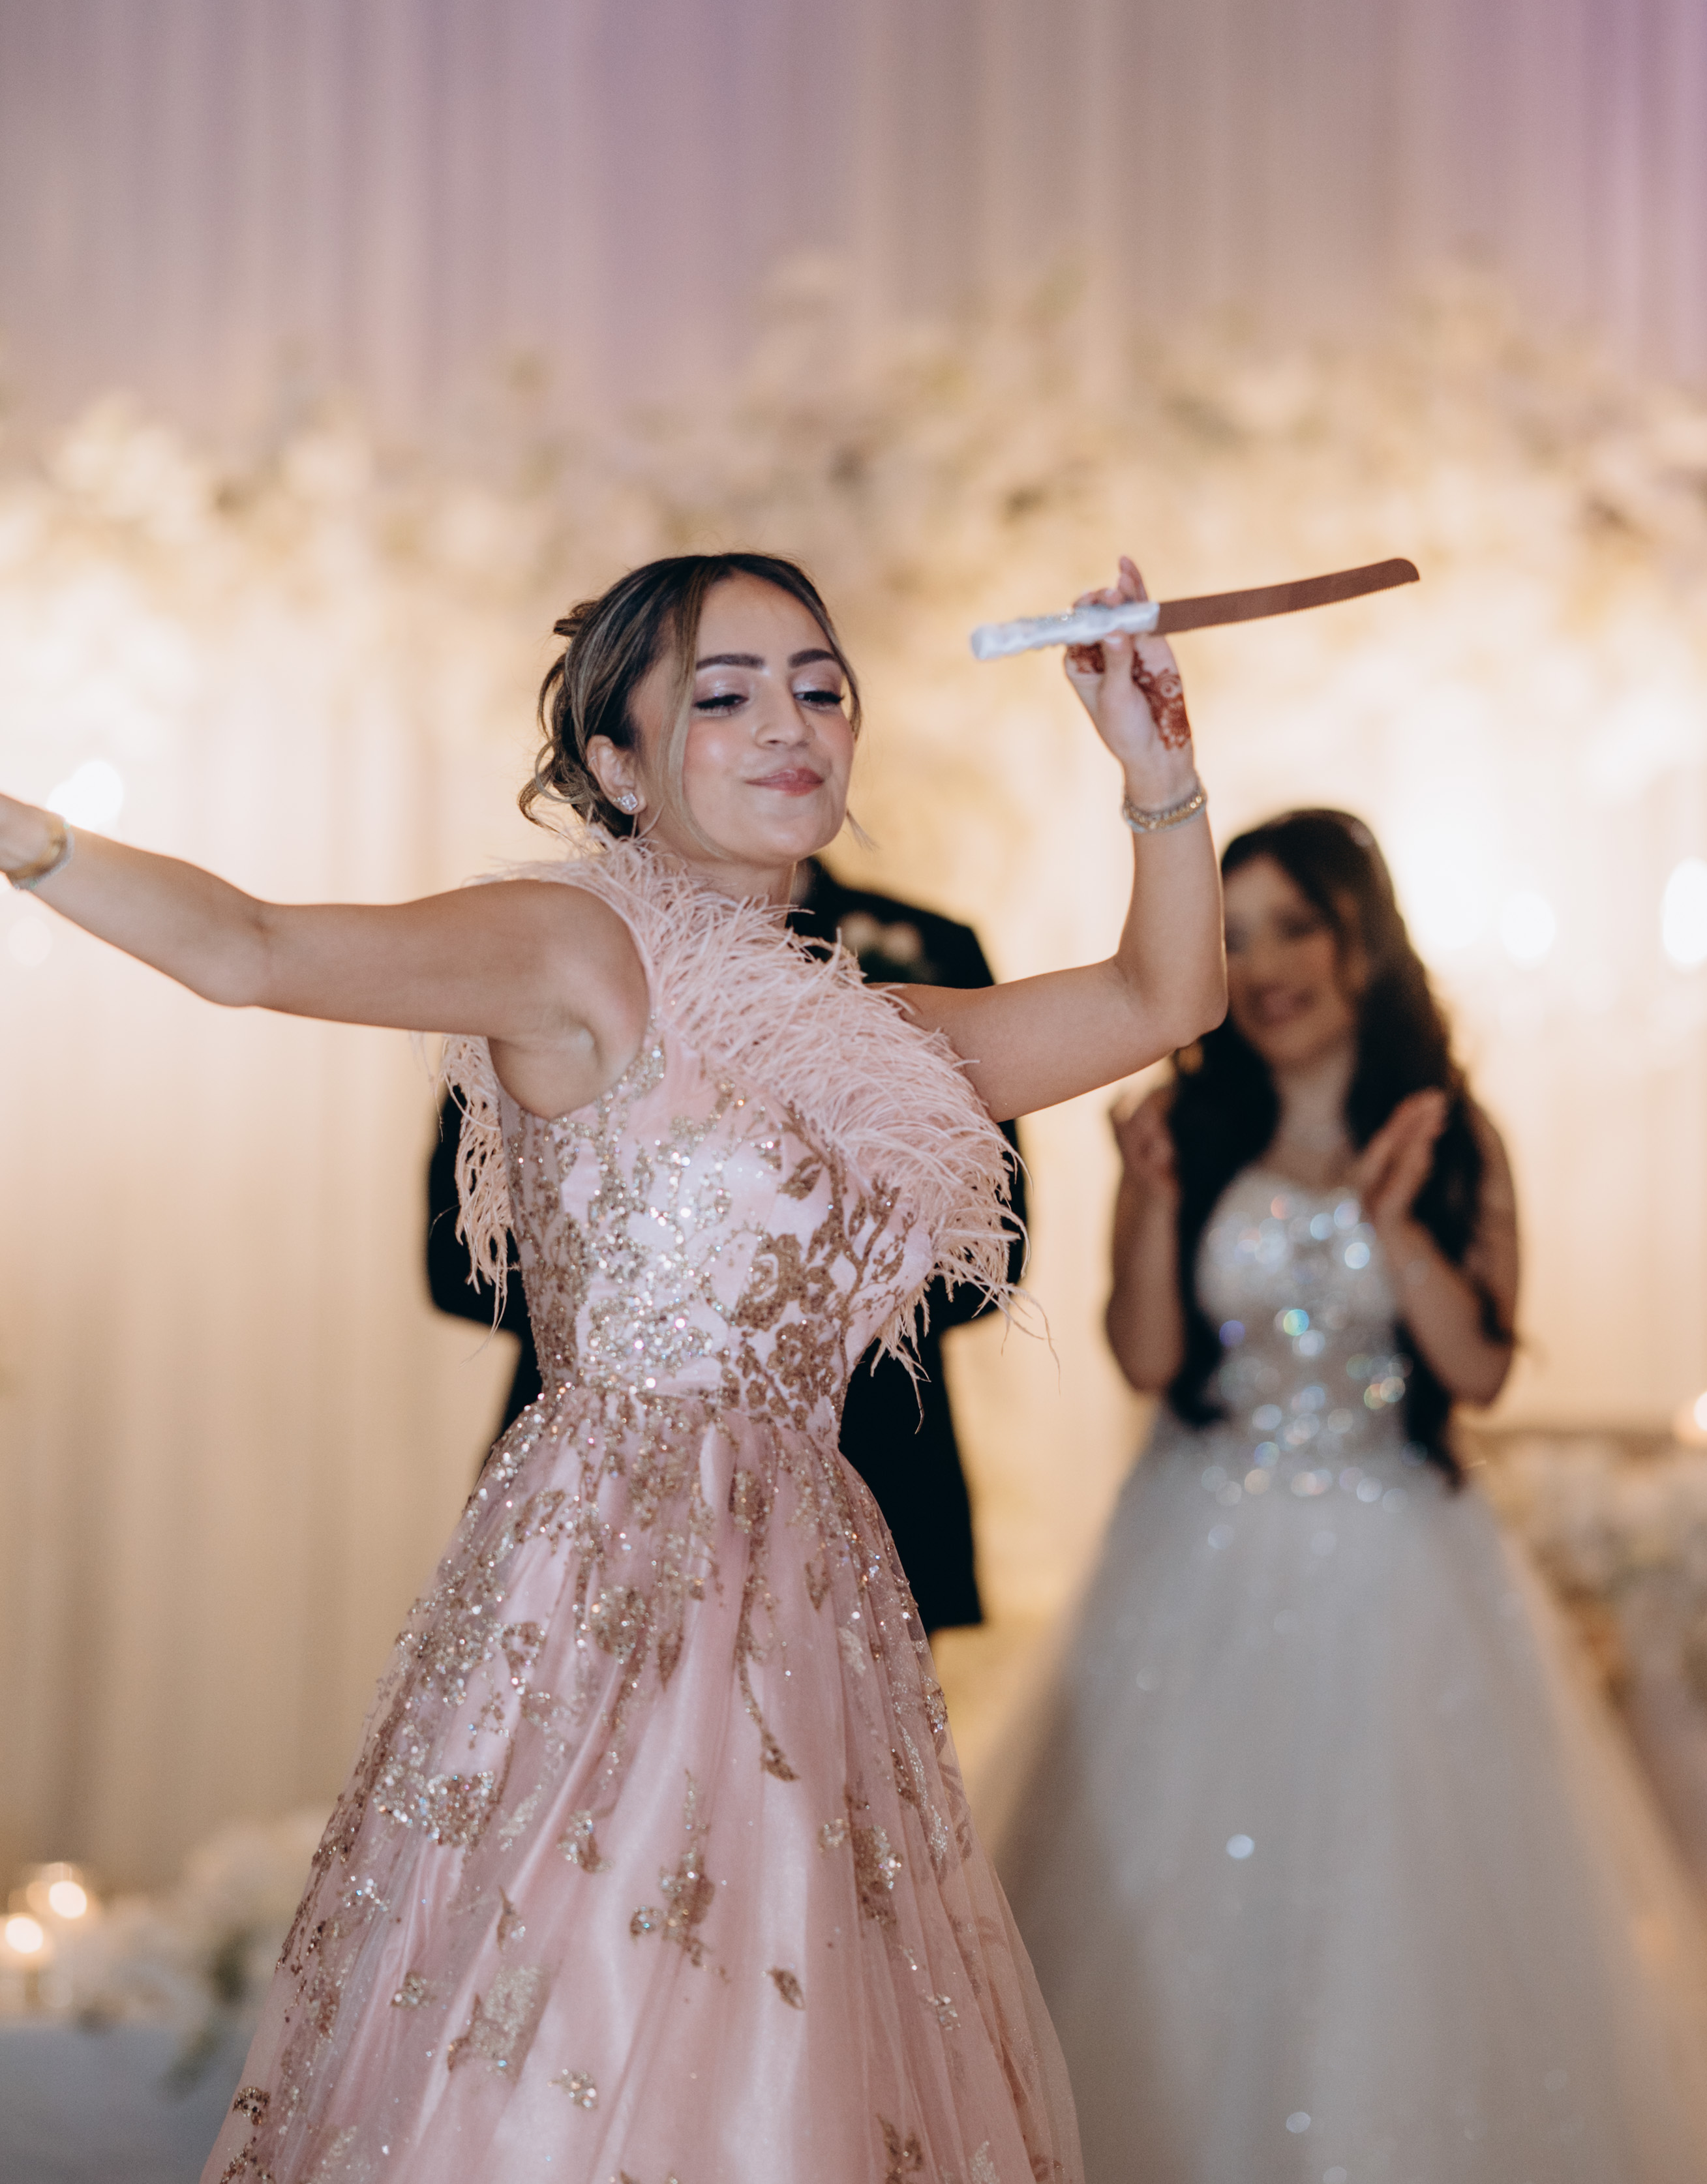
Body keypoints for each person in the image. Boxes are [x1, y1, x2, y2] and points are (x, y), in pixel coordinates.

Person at [1, 548, 1223, 2184]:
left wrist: (1153, 766)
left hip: (813, 1581)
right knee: (577, 2008)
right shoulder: (573, 948)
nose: (789, 723)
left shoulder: (885, 1033)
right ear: (619, 764)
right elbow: (250, 942)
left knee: (785, 2039)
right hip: (614, 1567)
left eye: (820, 686)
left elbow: (1163, 991)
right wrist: (30, 838)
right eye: (724, 695)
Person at [999, 808, 1707, 2184]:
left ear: (1360, 943)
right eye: (1233, 937)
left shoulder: (1449, 1135)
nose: (1262, 966)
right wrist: (1148, 1201)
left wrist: (1394, 1222)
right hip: (1200, 1539)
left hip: (1399, 1555)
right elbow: (1143, 1357)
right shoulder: (1186, 1127)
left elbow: (1478, 1369)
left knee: (1398, 1907)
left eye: (1292, 928)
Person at [427, 860, 1026, 1636]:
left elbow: (992, 1252)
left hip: (869, 1461)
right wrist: (664, 1333)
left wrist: (802, 1339)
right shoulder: (555, 949)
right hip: (602, 1487)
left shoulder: (930, 949)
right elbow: (457, 1259)